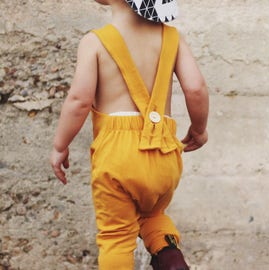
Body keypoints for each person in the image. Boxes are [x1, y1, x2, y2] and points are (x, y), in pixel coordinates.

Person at [50, 0, 209, 269]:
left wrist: (60, 145)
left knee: (116, 236)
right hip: (164, 152)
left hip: (118, 156)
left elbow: (78, 100)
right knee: (153, 214)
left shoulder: (95, 42)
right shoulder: (172, 38)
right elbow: (196, 89)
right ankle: (171, 260)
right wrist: (199, 129)